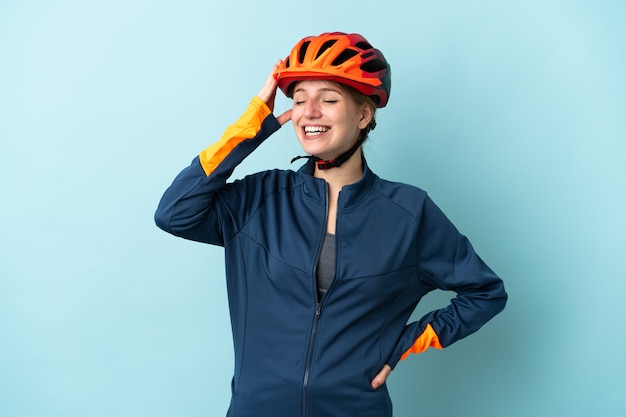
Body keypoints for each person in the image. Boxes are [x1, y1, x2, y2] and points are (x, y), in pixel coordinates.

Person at [155, 32, 507, 417]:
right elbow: (175, 212)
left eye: (329, 99)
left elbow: (485, 292)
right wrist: (253, 122)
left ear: (363, 114)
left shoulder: (408, 212)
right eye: (300, 99)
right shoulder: (259, 198)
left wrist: (406, 343)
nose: (309, 112)